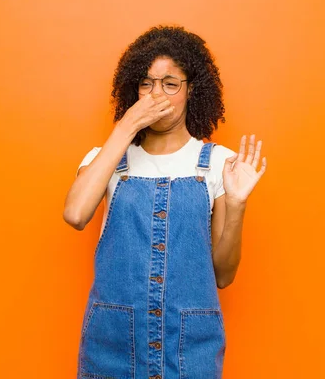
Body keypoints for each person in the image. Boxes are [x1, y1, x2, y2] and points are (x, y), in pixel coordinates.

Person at [63, 25, 266, 379]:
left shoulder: (219, 163)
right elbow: (76, 214)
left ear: (192, 91)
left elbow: (224, 275)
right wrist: (126, 127)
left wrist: (236, 204)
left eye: (170, 84)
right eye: (146, 83)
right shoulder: (106, 158)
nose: (156, 95)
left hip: (189, 349)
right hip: (112, 345)